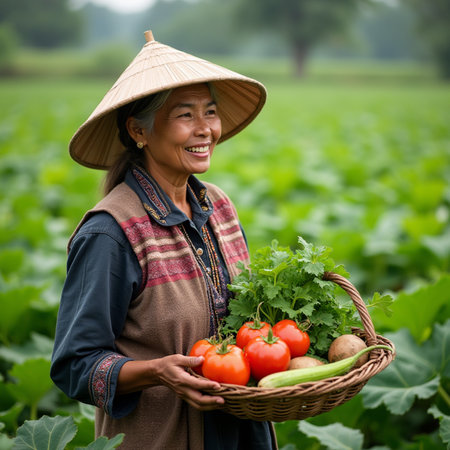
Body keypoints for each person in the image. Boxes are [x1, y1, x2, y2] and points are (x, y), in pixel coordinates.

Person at [50, 31, 276, 449]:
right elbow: (75, 366)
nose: (206, 129)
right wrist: (156, 372)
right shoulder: (111, 232)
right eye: (185, 115)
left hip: (243, 433)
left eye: (210, 111)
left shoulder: (220, 207)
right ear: (139, 130)